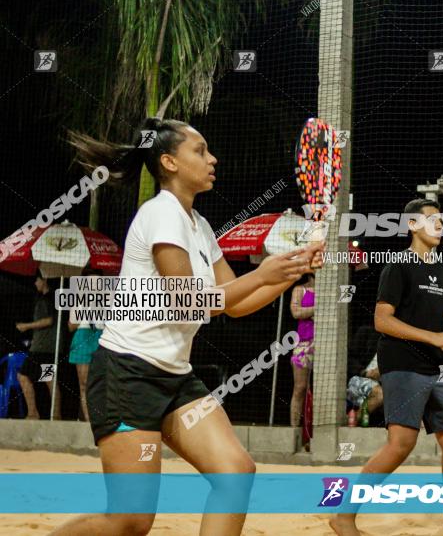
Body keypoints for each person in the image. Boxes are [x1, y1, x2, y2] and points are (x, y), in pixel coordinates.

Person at [51, 117, 323, 536]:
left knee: (234, 472)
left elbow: (233, 302)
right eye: (200, 150)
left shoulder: (197, 226)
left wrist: (288, 272)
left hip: (175, 378)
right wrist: (264, 275)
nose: (212, 159)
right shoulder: (160, 213)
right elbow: (186, 301)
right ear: (169, 162)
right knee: (130, 521)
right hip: (128, 374)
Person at [330, 198, 443, 536]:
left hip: (439, 367)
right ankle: (343, 515)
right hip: (404, 363)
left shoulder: (441, 269)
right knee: (401, 444)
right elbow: (382, 320)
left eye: (441, 220)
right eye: (431, 219)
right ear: (411, 225)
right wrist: (433, 337)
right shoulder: (399, 265)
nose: (439, 225)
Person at [16, 275, 61, 420]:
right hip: (48, 346)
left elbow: (48, 320)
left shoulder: (46, 299)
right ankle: (55, 414)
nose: (35, 284)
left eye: (36, 280)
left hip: (42, 347)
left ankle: (33, 413)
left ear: (44, 280)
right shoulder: (52, 298)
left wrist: (26, 326)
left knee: (23, 375)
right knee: (49, 378)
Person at [68, 293, 105, 422]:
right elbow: (71, 326)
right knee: (84, 384)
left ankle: (102, 417)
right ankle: (89, 420)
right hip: (83, 336)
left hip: (101, 337)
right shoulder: (78, 301)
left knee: (103, 383)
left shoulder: (108, 298)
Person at [289, 272, 315, 448]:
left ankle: (315, 435)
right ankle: (294, 432)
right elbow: (296, 312)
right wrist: (318, 308)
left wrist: (310, 311)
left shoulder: (331, 292)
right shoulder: (300, 289)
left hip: (325, 345)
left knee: (322, 391)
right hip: (303, 345)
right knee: (300, 388)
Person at [346, 352, 382, 421]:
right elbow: (374, 374)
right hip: (359, 380)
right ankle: (353, 420)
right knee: (380, 394)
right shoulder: (387, 349)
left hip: (376, 386)